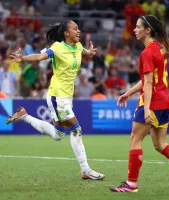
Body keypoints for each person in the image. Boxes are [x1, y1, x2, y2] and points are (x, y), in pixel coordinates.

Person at [109, 15, 169, 193]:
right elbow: (147, 80)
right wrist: (128, 93)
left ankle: (131, 184)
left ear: (147, 30)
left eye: (137, 27)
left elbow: (149, 84)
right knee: (160, 145)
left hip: (153, 102)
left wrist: (147, 108)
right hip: (165, 101)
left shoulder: (147, 53)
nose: (134, 30)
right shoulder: (158, 49)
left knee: (135, 139)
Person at [6, 20, 105, 180]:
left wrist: (89, 52)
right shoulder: (57, 48)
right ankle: (85, 169)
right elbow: (40, 56)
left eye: (78, 28)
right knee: (76, 130)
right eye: (75, 29)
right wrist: (23, 59)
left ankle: (24, 116)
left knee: (58, 134)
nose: (78, 31)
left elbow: (83, 51)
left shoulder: (78, 46)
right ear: (66, 33)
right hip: (57, 96)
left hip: (67, 96)